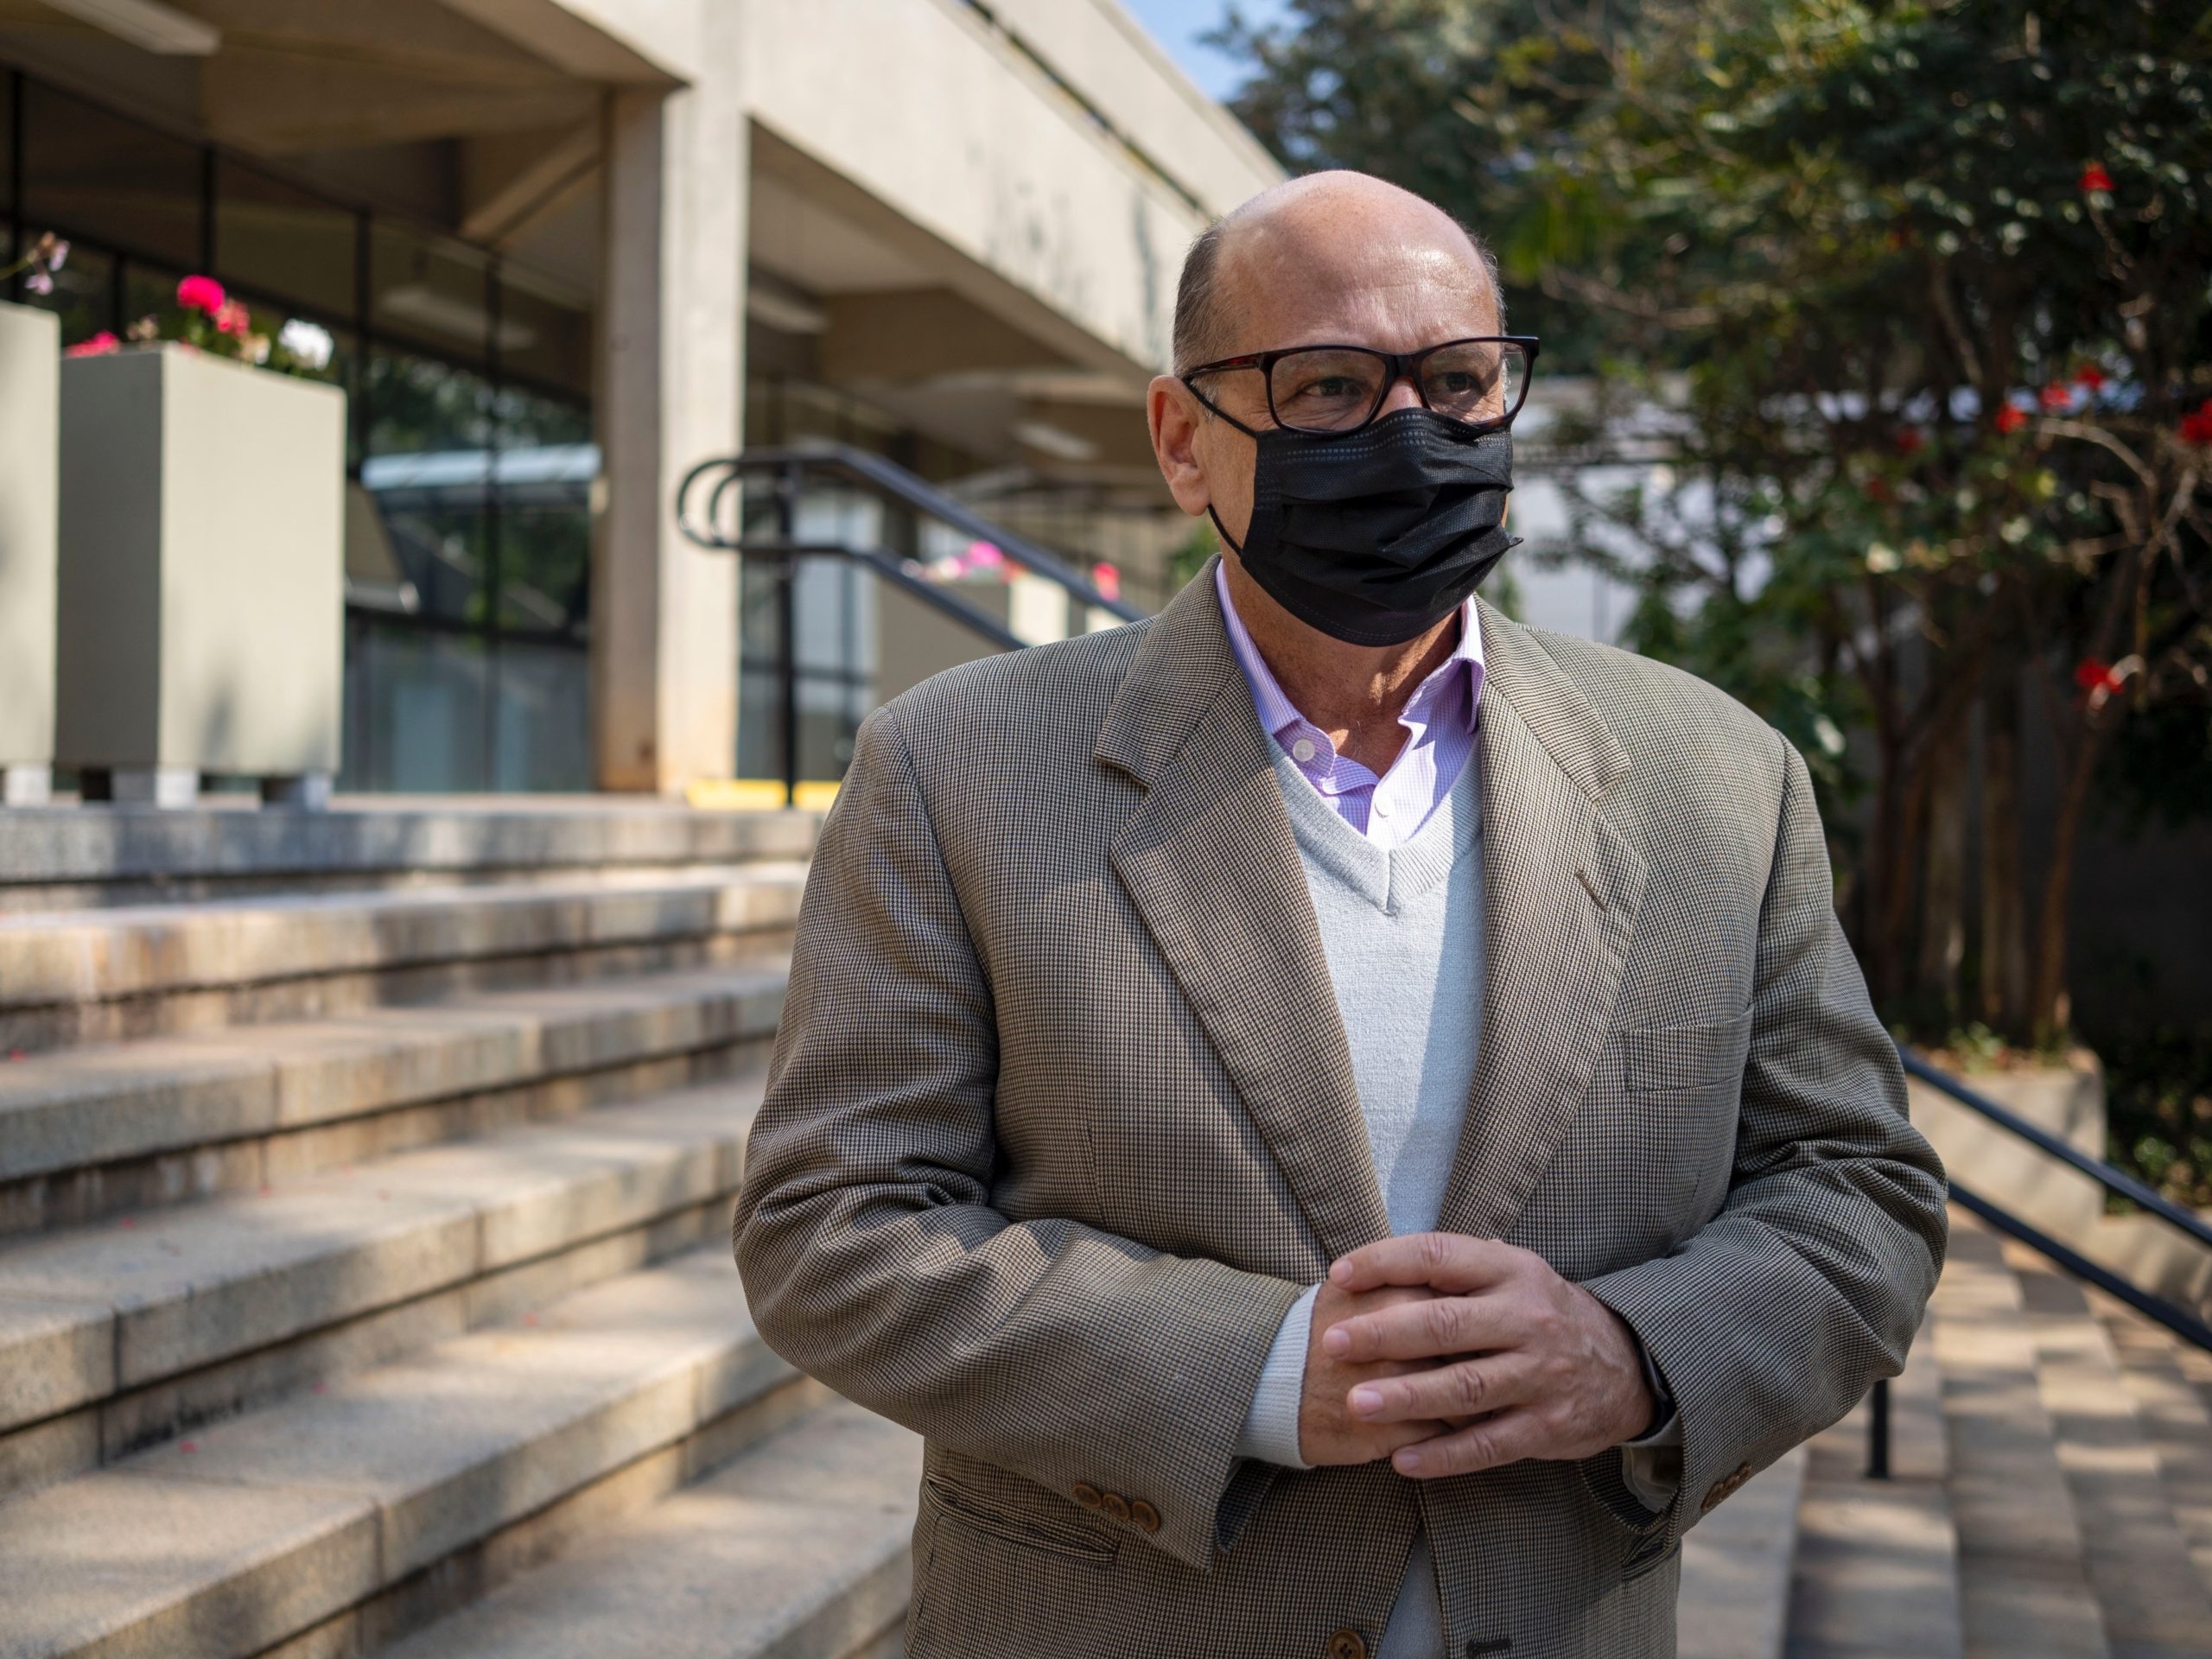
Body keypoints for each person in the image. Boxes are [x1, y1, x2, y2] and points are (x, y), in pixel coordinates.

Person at [733, 170, 1947, 1659]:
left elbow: (1858, 1191)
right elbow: (832, 1226)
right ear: (1184, 439)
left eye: (1460, 382)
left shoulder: (1719, 776)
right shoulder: (958, 767)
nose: (1411, 434)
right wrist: (1250, 1373)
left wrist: (1636, 1354)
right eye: (1328, 387)